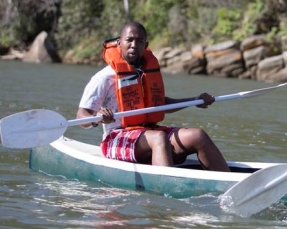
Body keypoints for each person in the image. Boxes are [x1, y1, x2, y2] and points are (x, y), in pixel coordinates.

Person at [76, 22, 230, 172]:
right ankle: (167, 185)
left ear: (146, 45)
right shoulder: (104, 77)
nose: (134, 45)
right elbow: (82, 116)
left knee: (197, 136)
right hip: (116, 138)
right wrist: (97, 118)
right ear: (119, 43)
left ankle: (226, 181)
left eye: (139, 41)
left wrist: (195, 100)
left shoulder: (147, 72)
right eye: (129, 40)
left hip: (150, 132)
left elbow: (160, 104)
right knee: (159, 138)